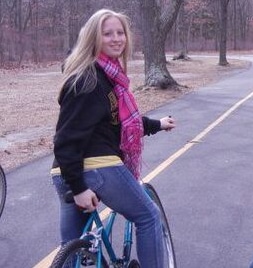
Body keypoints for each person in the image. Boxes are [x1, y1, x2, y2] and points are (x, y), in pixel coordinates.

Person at [51, 8, 175, 268]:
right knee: (148, 217)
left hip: (64, 170)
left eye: (120, 33)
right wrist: (79, 187)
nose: (116, 38)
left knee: (72, 250)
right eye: (107, 33)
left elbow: (117, 123)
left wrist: (157, 124)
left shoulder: (105, 78)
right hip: (94, 169)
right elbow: (66, 138)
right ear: (93, 38)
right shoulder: (88, 79)